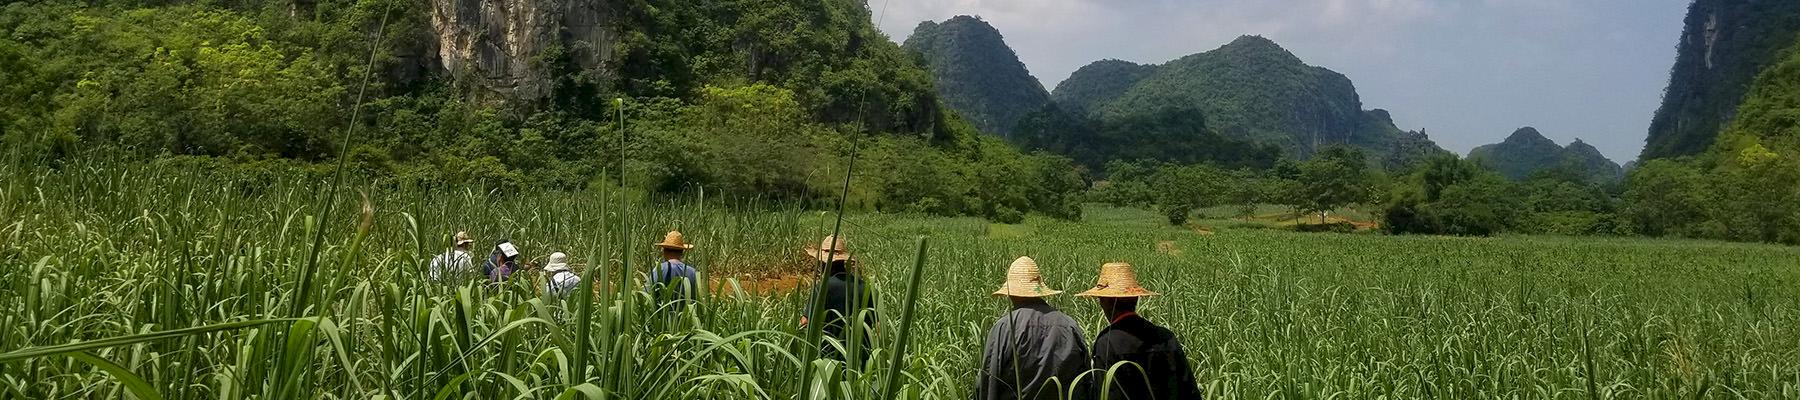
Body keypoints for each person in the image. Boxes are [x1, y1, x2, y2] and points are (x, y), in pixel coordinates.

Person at [1077, 262, 1203, 400]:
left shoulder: (1107, 342)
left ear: (1106, 301)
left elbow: (1107, 393)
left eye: (1100, 299)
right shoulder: (1166, 337)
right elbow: (1189, 390)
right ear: (1136, 297)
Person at [976, 256, 1091, 400]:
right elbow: (1086, 380)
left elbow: (988, 381)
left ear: (1011, 293)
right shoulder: (1069, 325)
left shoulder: (1004, 328)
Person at [800, 235, 877, 361]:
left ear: (822, 262)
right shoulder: (863, 286)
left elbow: (805, 322)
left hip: (831, 358)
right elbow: (876, 324)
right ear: (843, 261)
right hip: (861, 356)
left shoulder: (822, 288)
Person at [645, 231, 699, 306]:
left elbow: (647, 296)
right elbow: (695, 300)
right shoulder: (692, 272)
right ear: (682, 252)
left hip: (661, 316)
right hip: (686, 316)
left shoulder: (658, 270)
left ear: (664, 251)